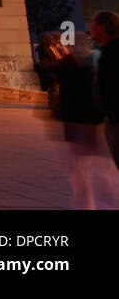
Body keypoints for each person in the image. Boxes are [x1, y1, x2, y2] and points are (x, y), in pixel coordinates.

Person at [39, 31, 115, 209]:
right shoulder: (76, 63)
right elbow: (46, 69)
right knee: (86, 172)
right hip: (84, 122)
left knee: (92, 172)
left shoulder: (88, 62)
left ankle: (95, 203)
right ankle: (92, 203)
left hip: (88, 122)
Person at [91, 10, 119, 174]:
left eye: (94, 23)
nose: (91, 27)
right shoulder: (109, 51)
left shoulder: (113, 52)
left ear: (103, 27)